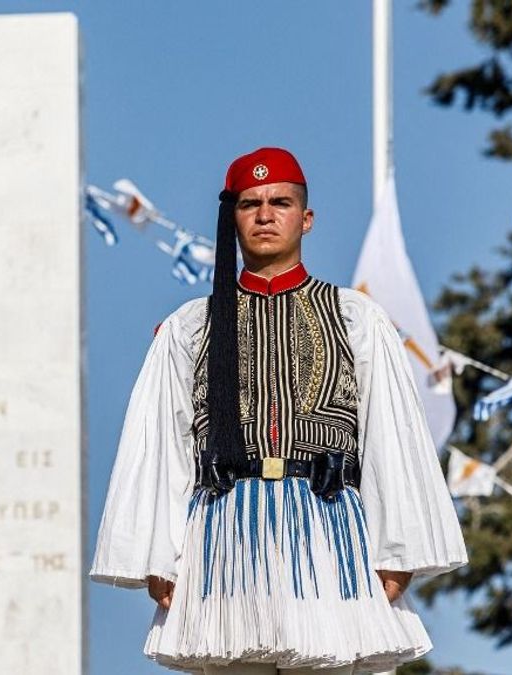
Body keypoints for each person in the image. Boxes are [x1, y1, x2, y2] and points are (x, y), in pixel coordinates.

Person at [89, 147, 467, 674]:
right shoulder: (189, 327)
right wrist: (159, 558)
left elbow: (391, 437)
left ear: (305, 218)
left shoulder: (357, 318)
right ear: (232, 217)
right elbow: (162, 447)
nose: (266, 215)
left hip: (328, 531)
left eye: (280, 202)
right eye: (251, 204)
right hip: (225, 538)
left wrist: (395, 553)